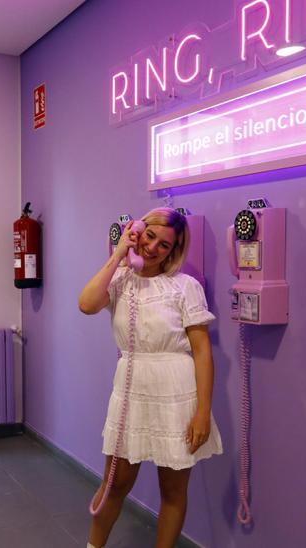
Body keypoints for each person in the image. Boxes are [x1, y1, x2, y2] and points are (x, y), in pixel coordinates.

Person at [77, 207, 222, 548]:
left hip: (177, 390)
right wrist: (117, 255)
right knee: (115, 483)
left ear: (173, 251)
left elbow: (202, 351)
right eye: (150, 235)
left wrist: (203, 411)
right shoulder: (119, 280)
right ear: (137, 230)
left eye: (165, 245)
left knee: (172, 490)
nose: (153, 247)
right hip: (131, 389)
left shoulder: (185, 287)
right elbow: (86, 304)